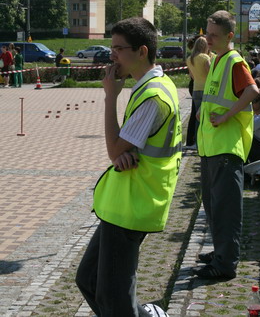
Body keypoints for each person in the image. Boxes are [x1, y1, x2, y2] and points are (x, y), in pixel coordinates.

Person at [76, 17, 182, 317]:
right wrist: (126, 149)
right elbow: (123, 148)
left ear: (142, 51)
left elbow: (114, 150)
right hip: (124, 202)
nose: (112, 55)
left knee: (114, 296)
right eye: (112, 48)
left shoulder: (153, 95)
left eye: (118, 49)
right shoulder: (155, 86)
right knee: (88, 280)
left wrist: (111, 96)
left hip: (135, 204)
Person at [194, 10, 258, 280]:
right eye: (206, 33)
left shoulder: (233, 60)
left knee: (226, 210)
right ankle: (221, 251)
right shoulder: (217, 59)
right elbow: (216, 96)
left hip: (226, 148)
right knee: (213, 206)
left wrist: (226, 116)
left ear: (229, 36)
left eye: (214, 35)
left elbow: (253, 92)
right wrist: (203, 112)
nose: (208, 39)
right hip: (212, 148)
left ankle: (225, 264)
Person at [186, 36, 211, 149]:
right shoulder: (205, 57)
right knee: (204, 117)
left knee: (197, 116)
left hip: (196, 89)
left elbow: (192, 75)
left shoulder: (190, 58)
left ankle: (195, 141)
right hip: (206, 89)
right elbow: (211, 73)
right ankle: (202, 140)